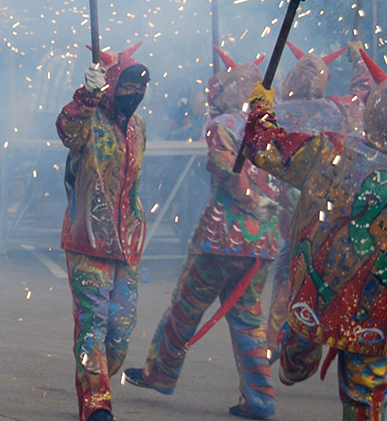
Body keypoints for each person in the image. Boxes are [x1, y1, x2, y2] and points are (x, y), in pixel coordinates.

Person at [241, 49, 387, 421]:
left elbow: (261, 144)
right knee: (365, 396)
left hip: (315, 300)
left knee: (297, 362)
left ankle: (293, 358)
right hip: (371, 311)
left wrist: (259, 106)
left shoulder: (328, 149)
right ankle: (295, 359)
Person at [125, 47, 280, 419]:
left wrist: (248, 198)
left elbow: (223, 165)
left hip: (222, 239)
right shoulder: (272, 127)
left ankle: (160, 372)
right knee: (247, 317)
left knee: (186, 305)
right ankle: (260, 398)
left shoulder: (223, 124)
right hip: (263, 241)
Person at [55, 42, 150, 421]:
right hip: (88, 239)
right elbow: (67, 130)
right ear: (111, 85)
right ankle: (97, 405)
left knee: (121, 327)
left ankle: (97, 375)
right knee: (93, 325)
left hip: (127, 243)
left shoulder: (139, 128)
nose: (135, 94)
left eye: (141, 86)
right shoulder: (88, 119)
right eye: (127, 86)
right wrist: (87, 95)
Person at [265, 41, 368, 357]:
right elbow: (362, 98)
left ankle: (284, 347)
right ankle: (289, 347)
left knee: (293, 280)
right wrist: (359, 60)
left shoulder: (279, 112)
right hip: (320, 219)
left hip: (303, 220)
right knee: (307, 280)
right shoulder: (336, 110)